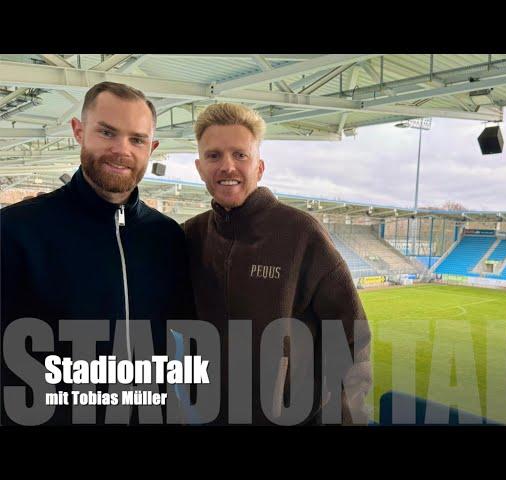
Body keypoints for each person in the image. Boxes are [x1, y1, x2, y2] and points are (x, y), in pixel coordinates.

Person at [0, 81, 194, 425]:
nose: (122, 150)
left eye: (137, 139)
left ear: (152, 147)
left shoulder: (167, 237)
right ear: (78, 131)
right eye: (107, 132)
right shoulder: (17, 230)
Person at [183, 103, 372, 425]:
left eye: (240, 155)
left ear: (259, 167)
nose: (227, 166)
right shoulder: (191, 236)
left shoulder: (301, 233)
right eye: (214, 156)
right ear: (200, 168)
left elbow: (351, 339)